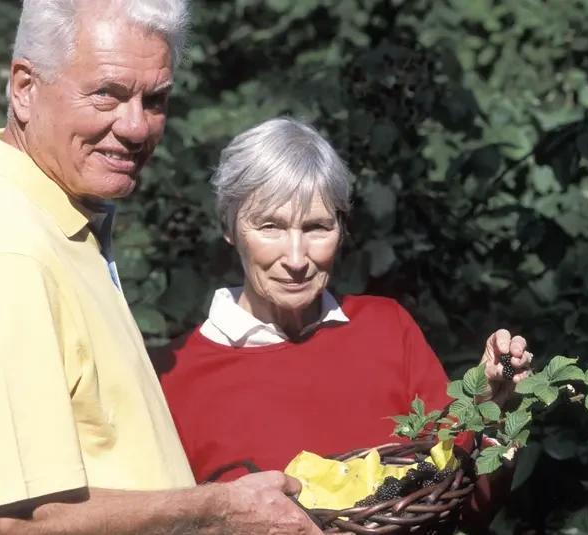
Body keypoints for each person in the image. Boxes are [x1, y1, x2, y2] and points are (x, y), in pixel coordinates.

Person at [0, 2, 323, 534]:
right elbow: (12, 525)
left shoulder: (50, 216)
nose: (136, 127)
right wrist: (221, 508)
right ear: (23, 87)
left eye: (154, 99)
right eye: (107, 93)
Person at [155, 117, 533, 531]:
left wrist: (492, 409)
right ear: (229, 228)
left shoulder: (387, 329)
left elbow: (467, 508)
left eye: (317, 227)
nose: (297, 258)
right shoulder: (172, 376)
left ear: (342, 227)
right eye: (270, 227)